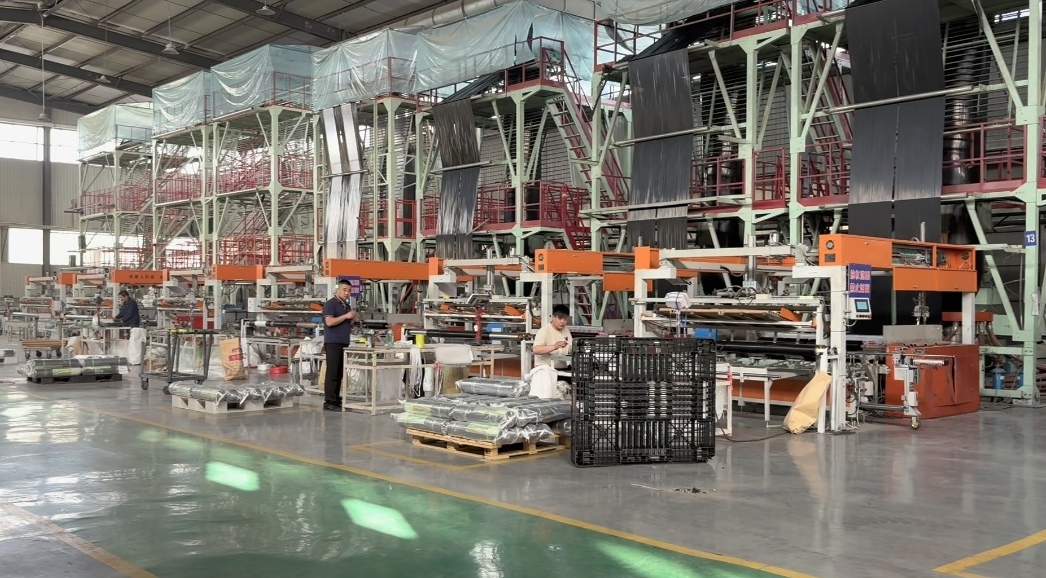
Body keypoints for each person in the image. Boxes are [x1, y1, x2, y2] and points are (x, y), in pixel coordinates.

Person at [322, 279, 356, 412]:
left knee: (339, 372)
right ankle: (329, 401)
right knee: (333, 372)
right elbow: (329, 322)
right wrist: (346, 316)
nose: (347, 293)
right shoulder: (331, 304)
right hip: (333, 342)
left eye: (349, 291)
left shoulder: (346, 306)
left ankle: (336, 399)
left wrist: (353, 319)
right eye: (344, 290)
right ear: (338, 290)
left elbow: (347, 322)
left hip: (343, 342)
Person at [532, 304, 572, 369]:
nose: (562, 321)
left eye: (565, 319)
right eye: (560, 318)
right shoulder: (544, 330)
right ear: (553, 317)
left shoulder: (566, 330)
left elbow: (570, 347)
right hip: (545, 369)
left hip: (562, 369)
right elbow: (536, 350)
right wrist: (554, 347)